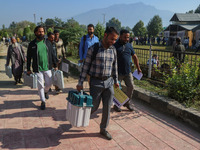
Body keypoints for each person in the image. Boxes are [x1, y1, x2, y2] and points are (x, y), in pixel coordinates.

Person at [76, 27, 119, 140]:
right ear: (105, 35)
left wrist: (116, 80)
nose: (113, 42)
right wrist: (80, 82)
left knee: (107, 107)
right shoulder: (93, 49)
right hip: (96, 82)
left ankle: (103, 129)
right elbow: (85, 67)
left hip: (109, 82)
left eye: (115, 40)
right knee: (94, 106)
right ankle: (81, 117)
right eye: (111, 39)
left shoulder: (113, 50)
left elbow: (114, 67)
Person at [27, 25, 57, 110]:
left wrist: (55, 64)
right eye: (39, 32)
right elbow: (29, 57)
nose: (41, 33)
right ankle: (43, 101)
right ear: (36, 33)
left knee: (49, 83)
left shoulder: (47, 43)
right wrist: (28, 69)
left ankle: (46, 92)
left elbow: (52, 54)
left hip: (47, 67)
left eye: (42, 32)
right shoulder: (32, 44)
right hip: (37, 69)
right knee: (40, 86)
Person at [113, 29, 142, 112]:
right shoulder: (115, 45)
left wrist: (138, 68)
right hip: (117, 72)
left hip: (128, 71)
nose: (126, 39)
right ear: (120, 36)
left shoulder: (129, 45)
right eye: (125, 37)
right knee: (117, 90)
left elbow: (135, 57)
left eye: (128, 37)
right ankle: (117, 105)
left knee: (131, 86)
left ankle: (127, 103)